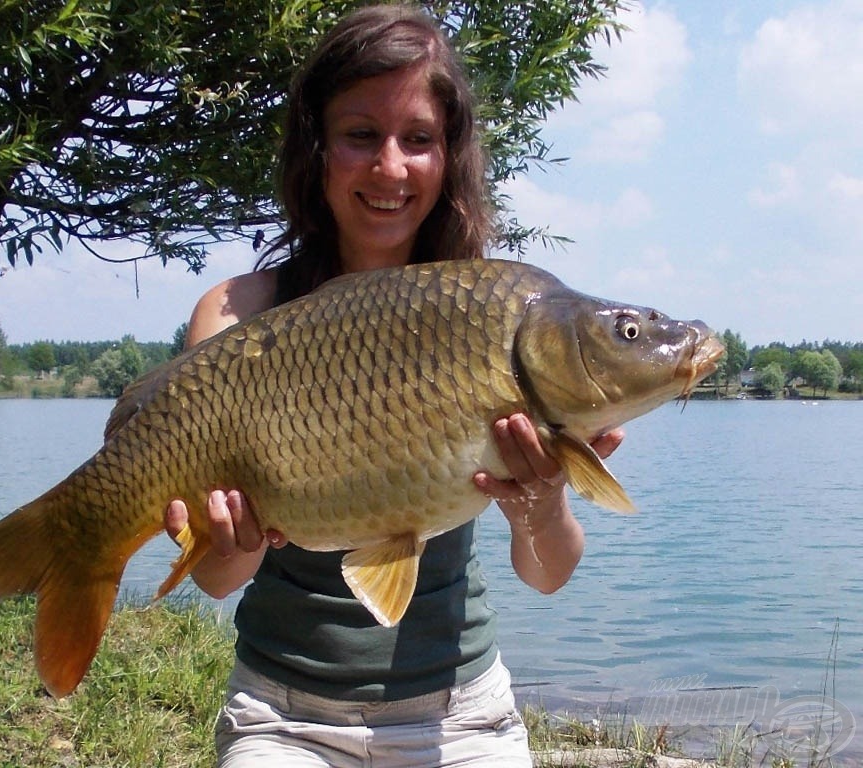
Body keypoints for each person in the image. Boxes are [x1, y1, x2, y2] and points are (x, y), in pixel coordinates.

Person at [164, 5, 623, 767]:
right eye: (359, 135)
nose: (390, 167)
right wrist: (231, 538)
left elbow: (548, 573)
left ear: (449, 157)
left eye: (418, 139)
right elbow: (217, 578)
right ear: (316, 149)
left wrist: (539, 500)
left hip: (462, 718)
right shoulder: (235, 318)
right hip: (284, 718)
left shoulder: (493, 316)